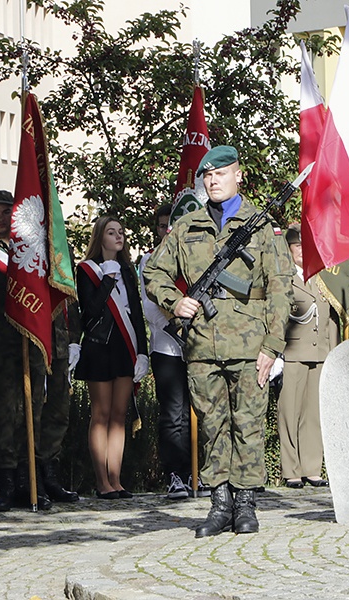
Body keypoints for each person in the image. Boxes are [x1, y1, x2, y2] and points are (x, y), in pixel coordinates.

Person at [144, 146, 293, 536]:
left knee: (248, 424)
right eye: (207, 176)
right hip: (202, 345)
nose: (213, 181)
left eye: (221, 174)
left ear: (238, 175)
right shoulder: (187, 226)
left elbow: (280, 289)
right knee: (212, 425)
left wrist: (272, 345)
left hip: (250, 343)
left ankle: (245, 504)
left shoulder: (261, 226)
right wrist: (176, 303)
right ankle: (219, 503)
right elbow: (154, 273)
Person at [0, 190, 50, 511]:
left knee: (32, 413)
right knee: (2, 414)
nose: (1, 219)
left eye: (7, 212)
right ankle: (4, 483)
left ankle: (31, 481)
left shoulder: (29, 247)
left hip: (29, 341)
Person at [76, 215, 147, 499]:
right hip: (99, 347)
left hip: (124, 346)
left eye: (121, 232)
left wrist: (142, 351)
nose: (118, 237)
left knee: (120, 415)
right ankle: (101, 481)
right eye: (111, 232)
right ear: (100, 237)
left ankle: (116, 480)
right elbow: (90, 311)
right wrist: (107, 279)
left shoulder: (128, 270)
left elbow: (137, 315)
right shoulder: (86, 270)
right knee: (101, 414)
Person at [275, 224, 337, 489]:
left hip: (320, 351)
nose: (302, 251)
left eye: (305, 245)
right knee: (290, 413)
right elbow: (276, 316)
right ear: (288, 250)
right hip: (293, 352)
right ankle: (291, 471)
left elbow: (332, 319)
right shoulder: (283, 278)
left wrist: (332, 351)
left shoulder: (322, 278)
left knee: (314, 414)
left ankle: (312, 468)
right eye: (297, 246)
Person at [139, 204, 193, 500]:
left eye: (172, 226)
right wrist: (178, 327)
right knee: (173, 414)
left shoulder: (194, 259)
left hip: (197, 347)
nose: (167, 231)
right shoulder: (151, 261)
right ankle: (175, 474)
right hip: (167, 348)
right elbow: (151, 308)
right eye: (162, 226)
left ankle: (195, 472)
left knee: (196, 413)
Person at [38, 299, 82, 503]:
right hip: (33, 338)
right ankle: (28, 478)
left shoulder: (60, 265)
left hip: (60, 344)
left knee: (59, 412)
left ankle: (50, 475)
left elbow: (68, 297)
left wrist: (74, 338)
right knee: (29, 411)